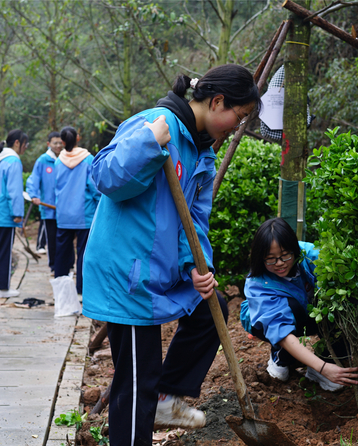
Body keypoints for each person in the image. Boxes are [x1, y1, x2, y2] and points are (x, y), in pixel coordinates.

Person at [82, 64, 260, 446]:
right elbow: (105, 179)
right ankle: (147, 406)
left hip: (159, 268)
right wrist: (148, 142)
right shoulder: (156, 122)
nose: (237, 126)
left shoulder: (202, 153)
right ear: (217, 101)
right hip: (127, 271)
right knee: (135, 381)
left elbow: (195, 220)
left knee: (210, 311)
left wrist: (196, 267)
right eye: (239, 116)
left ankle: (165, 395)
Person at [240, 217, 358, 391]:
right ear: (261, 258)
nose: (280, 263)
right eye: (271, 259)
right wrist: (324, 369)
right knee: (290, 308)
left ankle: (326, 360)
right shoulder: (258, 283)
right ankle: (282, 358)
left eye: (285, 255)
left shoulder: (309, 255)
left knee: (338, 301)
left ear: (295, 249)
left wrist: (324, 365)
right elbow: (281, 332)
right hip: (268, 321)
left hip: (309, 311)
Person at [52, 127, 99, 294]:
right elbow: (94, 188)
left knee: (62, 254)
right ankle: (82, 290)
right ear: (78, 138)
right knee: (84, 253)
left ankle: (60, 290)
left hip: (64, 214)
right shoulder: (88, 159)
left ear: (63, 142)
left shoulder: (58, 161)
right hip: (84, 214)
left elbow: (55, 187)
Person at [0, 130, 27, 298]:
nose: (26, 148)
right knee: (4, 250)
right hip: (4, 212)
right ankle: (3, 288)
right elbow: (14, 190)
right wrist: (17, 212)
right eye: (25, 144)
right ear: (17, 143)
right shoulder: (13, 161)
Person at [26, 131, 62, 269]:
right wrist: (34, 195)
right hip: (48, 208)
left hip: (63, 208)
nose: (58, 145)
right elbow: (33, 180)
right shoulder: (42, 160)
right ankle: (54, 266)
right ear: (49, 144)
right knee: (51, 239)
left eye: (60, 143)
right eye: (55, 143)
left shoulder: (66, 159)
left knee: (64, 239)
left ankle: (65, 266)